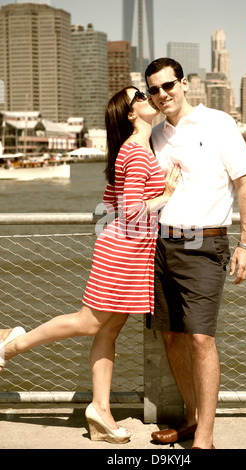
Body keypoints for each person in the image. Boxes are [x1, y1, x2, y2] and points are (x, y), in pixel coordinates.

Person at [0, 85, 181, 444]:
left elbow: (110, 201)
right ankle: (10, 345)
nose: (150, 97)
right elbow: (129, 211)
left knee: (108, 331)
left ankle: (100, 410)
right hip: (124, 251)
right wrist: (166, 195)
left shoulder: (136, 150)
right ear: (131, 114)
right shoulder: (136, 151)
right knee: (89, 323)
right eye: (142, 96)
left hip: (132, 250)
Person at [144, 58, 246, 449]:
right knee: (172, 336)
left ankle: (204, 440)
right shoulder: (156, 135)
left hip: (204, 243)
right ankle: (192, 420)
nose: (162, 95)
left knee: (201, 340)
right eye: (153, 90)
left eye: (168, 85)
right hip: (162, 244)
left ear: (185, 83)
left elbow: (243, 182)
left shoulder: (219, 122)